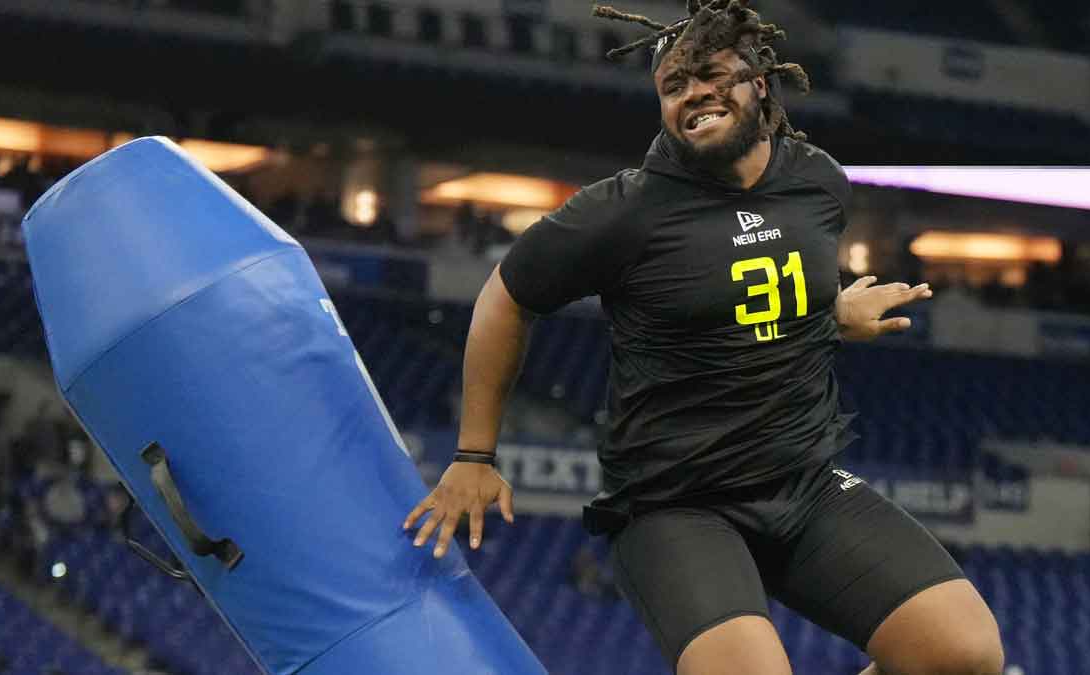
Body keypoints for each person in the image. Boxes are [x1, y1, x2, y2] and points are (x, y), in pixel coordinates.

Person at [404, 2, 1004, 674]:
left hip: (803, 486)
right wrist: (474, 452)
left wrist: (831, 313)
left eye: (710, 73)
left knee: (966, 652)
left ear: (761, 85)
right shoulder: (625, 210)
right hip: (675, 506)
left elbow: (747, 293)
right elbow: (504, 298)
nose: (691, 92)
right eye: (673, 86)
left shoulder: (818, 182)